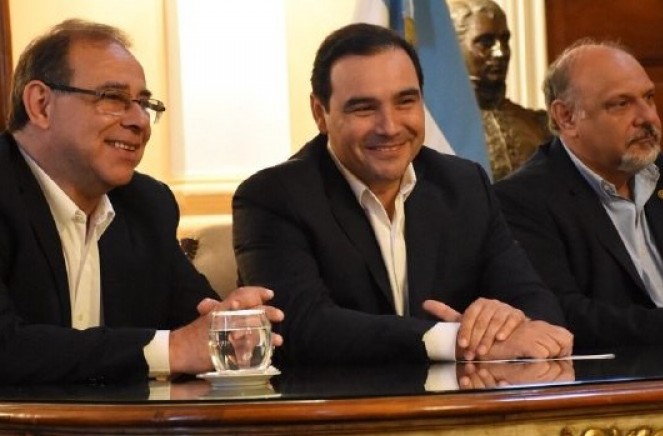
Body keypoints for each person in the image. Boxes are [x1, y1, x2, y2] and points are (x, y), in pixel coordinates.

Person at [233, 23, 572, 368]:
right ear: (321, 113)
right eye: (364, 108)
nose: (390, 126)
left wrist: (505, 321)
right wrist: (452, 340)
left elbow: (539, 306)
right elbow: (302, 328)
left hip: (460, 399)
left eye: (405, 102)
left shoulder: (463, 184)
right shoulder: (273, 197)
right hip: (337, 401)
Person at [0, 19, 283, 385]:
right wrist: (172, 350)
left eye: (145, 104)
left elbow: (196, 322)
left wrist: (232, 325)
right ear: (41, 105)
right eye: (113, 98)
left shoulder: (146, 205)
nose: (139, 121)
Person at [494, 39, 663, 349]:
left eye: (649, 98)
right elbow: (563, 315)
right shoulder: (521, 199)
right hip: (618, 374)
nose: (647, 117)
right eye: (621, 104)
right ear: (567, 117)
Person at [448, 0, 551, 181]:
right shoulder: (441, 130)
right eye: (485, 43)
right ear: (455, 47)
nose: (501, 52)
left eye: (504, 40)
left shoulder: (539, 125)